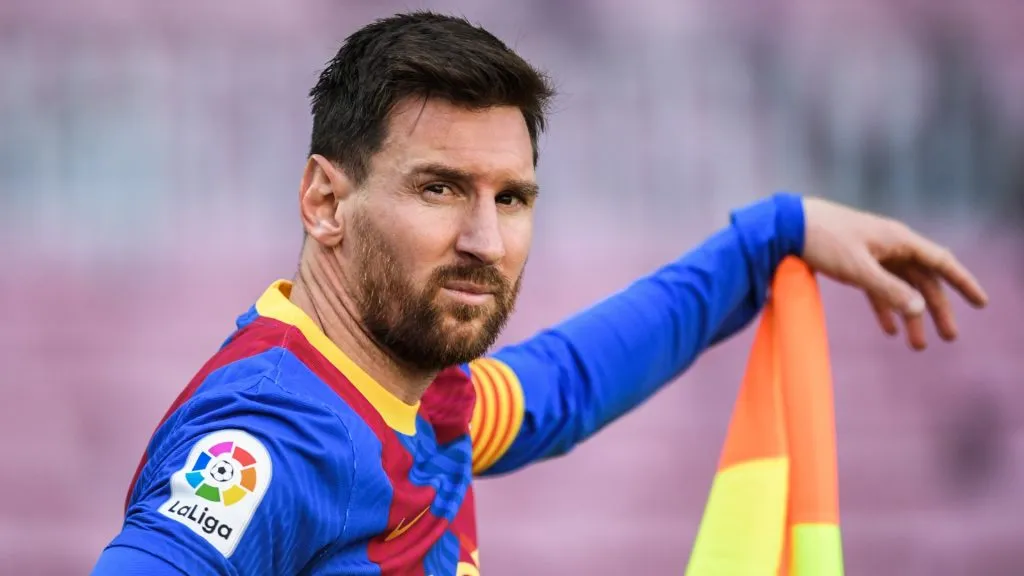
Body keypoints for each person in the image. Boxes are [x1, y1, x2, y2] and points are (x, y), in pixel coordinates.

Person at [90, 11, 987, 576]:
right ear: (326, 201)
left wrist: (771, 237)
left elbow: (564, 386)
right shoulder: (267, 439)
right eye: (440, 188)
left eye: (511, 198)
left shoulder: (422, 393)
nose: (485, 241)